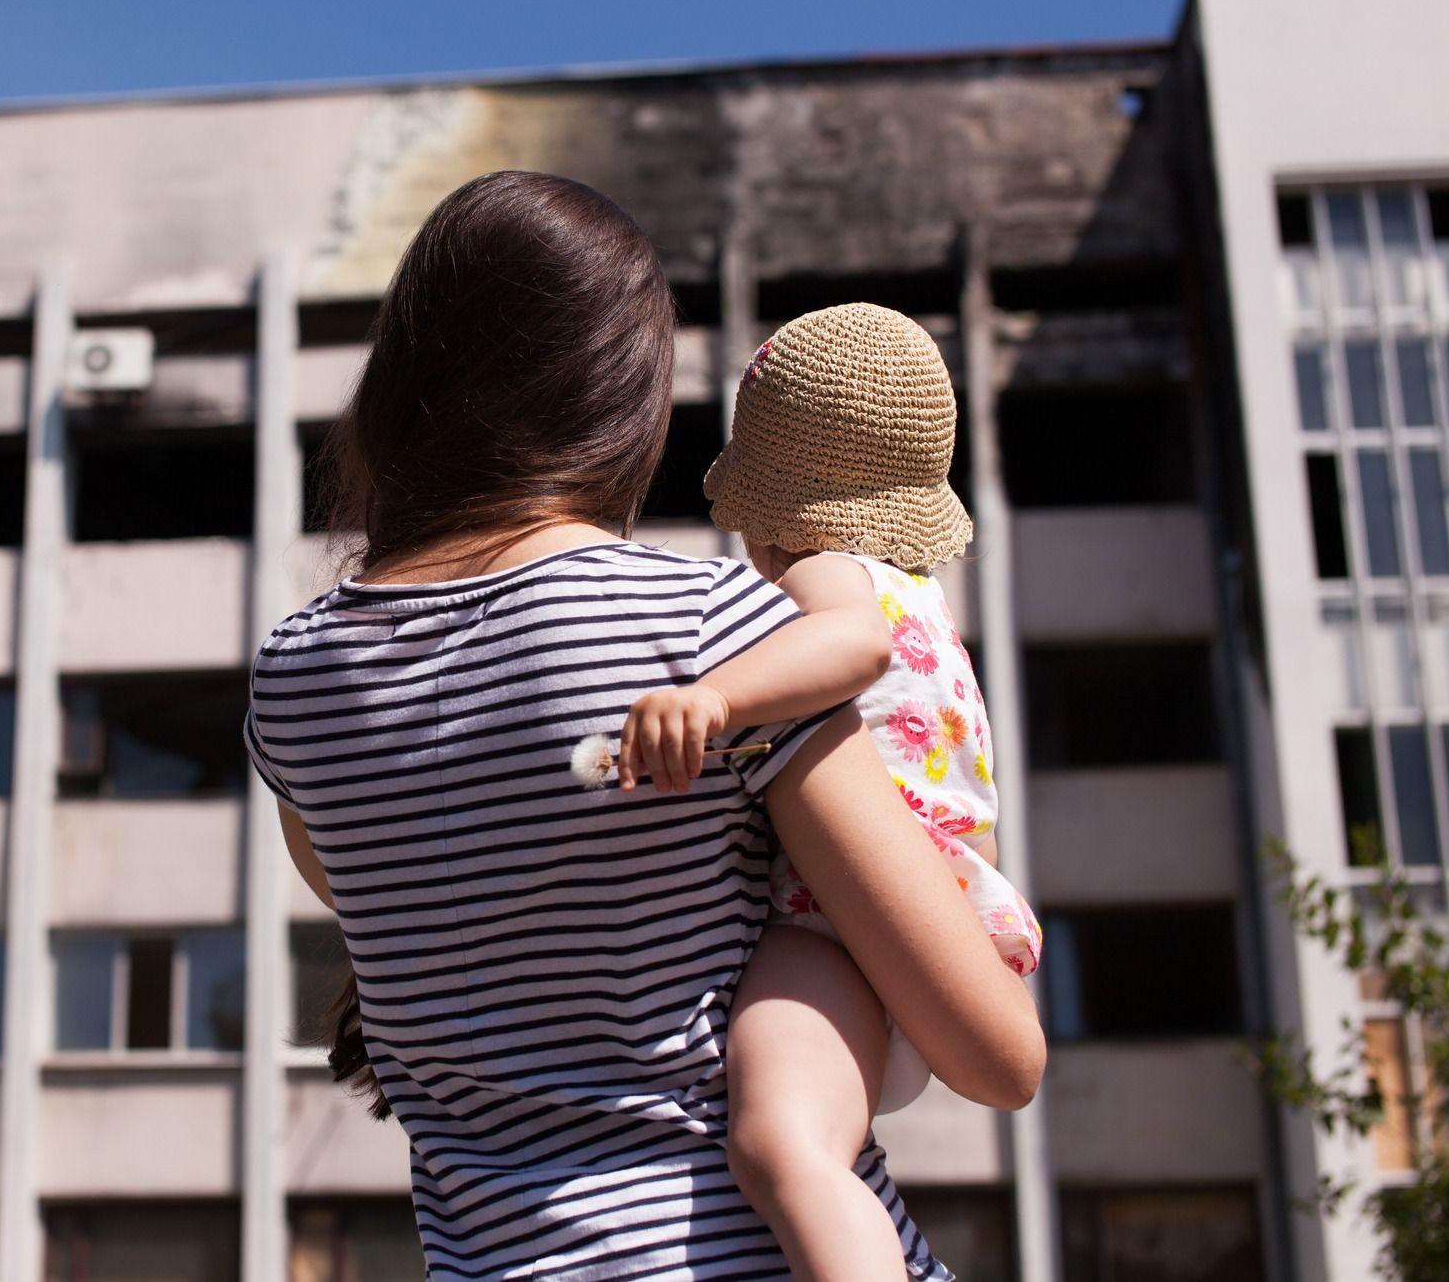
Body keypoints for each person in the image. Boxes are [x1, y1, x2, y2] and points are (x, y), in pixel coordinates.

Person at [244, 171, 1042, 1280]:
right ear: (630, 402)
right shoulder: (719, 634)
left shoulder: (294, 680)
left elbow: (397, 893)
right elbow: (997, 1054)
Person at [612, 302, 1042, 1279]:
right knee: (808, 1151)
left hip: (841, 932)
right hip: (929, 922)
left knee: (782, 1149)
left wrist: (712, 697)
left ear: (777, 508)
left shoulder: (829, 577)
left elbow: (852, 648)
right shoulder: (922, 595)